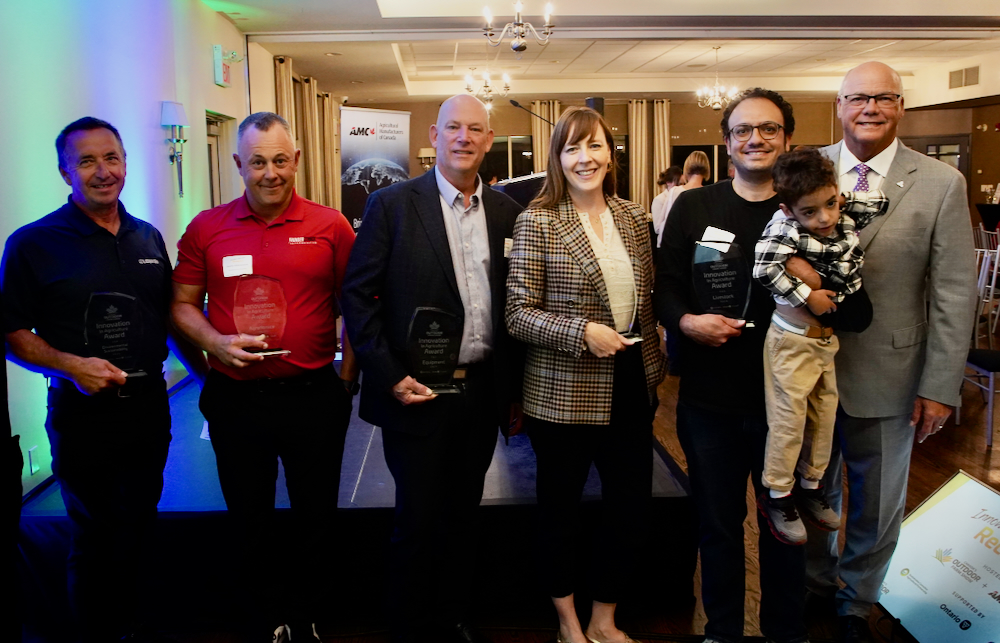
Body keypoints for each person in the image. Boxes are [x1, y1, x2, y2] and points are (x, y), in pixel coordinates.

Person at [802, 61, 977, 643]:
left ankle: (856, 602)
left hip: (894, 371)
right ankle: (816, 584)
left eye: (884, 98)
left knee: (876, 502)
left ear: (901, 106)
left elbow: (955, 291)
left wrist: (941, 386)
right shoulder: (807, 170)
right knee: (811, 490)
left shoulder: (940, 182)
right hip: (808, 372)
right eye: (858, 98)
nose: (870, 108)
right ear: (840, 104)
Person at [340, 94, 523, 643]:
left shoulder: (509, 214)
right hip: (415, 392)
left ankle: (454, 617)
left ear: (489, 140)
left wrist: (513, 393)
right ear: (434, 136)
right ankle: (409, 626)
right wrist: (389, 374)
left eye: (475, 129)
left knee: (465, 517)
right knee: (416, 521)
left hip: (480, 393)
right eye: (453, 128)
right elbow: (357, 295)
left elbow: (512, 309)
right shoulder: (393, 205)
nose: (464, 138)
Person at [1, 117, 190, 642]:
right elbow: (12, 331)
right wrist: (71, 366)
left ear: (126, 163)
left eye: (112, 158)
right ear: (65, 171)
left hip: (150, 409)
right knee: (94, 537)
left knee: (140, 527)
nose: (103, 171)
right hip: (82, 418)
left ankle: (136, 626)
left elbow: (168, 321)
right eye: (87, 161)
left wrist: (209, 374)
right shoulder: (33, 243)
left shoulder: (146, 236)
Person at [171, 111, 357, 643]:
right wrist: (214, 345)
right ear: (238, 165)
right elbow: (181, 306)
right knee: (249, 516)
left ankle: (312, 615)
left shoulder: (331, 226)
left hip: (313, 396)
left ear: (296, 160)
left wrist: (346, 376)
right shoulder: (207, 228)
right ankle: (266, 617)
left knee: (316, 514)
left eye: (279, 160)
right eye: (257, 162)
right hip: (237, 399)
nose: (270, 172)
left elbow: (356, 304)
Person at [655, 88, 809, 643]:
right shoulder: (695, 207)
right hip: (709, 401)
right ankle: (722, 629)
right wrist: (686, 323)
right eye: (744, 130)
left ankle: (787, 632)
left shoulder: (808, 207)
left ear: (787, 139)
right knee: (718, 526)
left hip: (786, 406)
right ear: (727, 143)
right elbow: (665, 286)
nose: (756, 139)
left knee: (784, 528)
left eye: (769, 129)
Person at [506, 106, 664, 643]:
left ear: (610, 154)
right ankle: (568, 622)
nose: (584, 158)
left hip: (631, 384)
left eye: (594, 146)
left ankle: (604, 618)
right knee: (561, 513)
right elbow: (517, 311)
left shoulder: (634, 216)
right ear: (557, 158)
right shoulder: (538, 220)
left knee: (629, 511)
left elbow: (649, 299)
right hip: (563, 391)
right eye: (572, 148)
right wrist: (581, 332)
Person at [751, 147, 889, 545]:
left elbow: (882, 201)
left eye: (830, 204)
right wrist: (806, 295)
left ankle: (811, 486)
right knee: (788, 421)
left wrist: (845, 198)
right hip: (792, 341)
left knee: (824, 417)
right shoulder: (785, 228)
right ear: (789, 209)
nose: (825, 218)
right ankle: (778, 493)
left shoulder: (842, 211)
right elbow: (763, 268)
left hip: (826, 342)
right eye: (810, 212)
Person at [655, 151, 710, 248]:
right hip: (699, 248)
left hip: (676, 247)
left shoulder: (674, 192)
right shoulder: (709, 194)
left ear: (687, 169)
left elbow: (662, 225)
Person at [651, 165, 683, 245]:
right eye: (678, 184)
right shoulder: (659, 200)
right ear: (668, 182)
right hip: (665, 243)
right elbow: (657, 228)